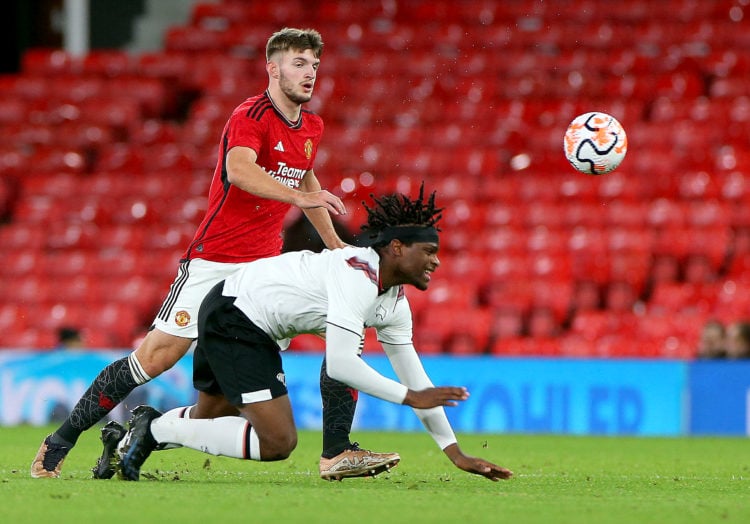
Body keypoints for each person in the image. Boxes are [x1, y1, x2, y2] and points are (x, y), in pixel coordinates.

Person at [32, 27, 398, 480]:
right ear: (273, 67)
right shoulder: (250, 115)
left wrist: (335, 244)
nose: (309, 74)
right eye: (299, 64)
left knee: (239, 392)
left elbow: (306, 181)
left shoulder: (312, 127)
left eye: (315, 66)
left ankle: (336, 451)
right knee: (155, 358)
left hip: (264, 271)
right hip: (214, 261)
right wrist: (300, 200)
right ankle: (59, 442)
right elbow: (239, 170)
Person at [110, 186, 513, 482]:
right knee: (278, 442)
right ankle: (154, 429)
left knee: (212, 416)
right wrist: (409, 397)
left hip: (253, 321)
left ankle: (147, 427)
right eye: (428, 252)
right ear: (395, 248)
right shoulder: (357, 275)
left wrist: (454, 452)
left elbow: (418, 380)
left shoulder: (394, 302)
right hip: (234, 314)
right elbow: (341, 365)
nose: (436, 261)